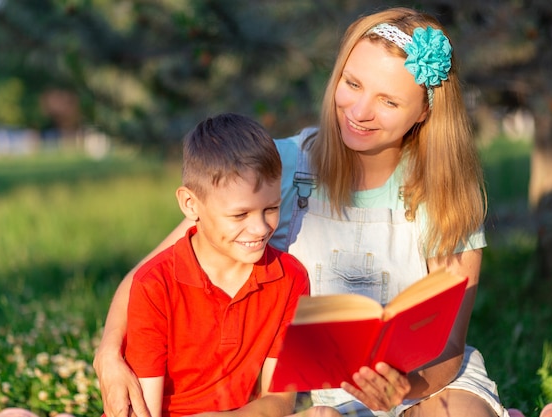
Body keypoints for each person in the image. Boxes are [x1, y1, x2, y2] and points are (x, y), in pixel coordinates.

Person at [94, 7, 509, 417]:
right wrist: (109, 355)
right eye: (352, 83)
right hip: (309, 396)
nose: (359, 111)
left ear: (423, 112)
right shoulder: (281, 165)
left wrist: (404, 389)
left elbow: (450, 346)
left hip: (423, 384)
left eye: (388, 101)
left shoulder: (446, 190)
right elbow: (153, 273)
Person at [116, 113, 310, 417]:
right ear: (191, 205)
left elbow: (281, 401)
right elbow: (146, 412)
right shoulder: (154, 284)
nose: (260, 228)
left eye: (271, 208)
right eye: (240, 215)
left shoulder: (291, 278)